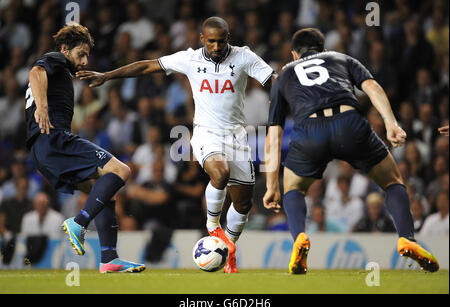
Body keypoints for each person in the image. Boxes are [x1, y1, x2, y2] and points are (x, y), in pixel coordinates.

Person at [76, 17, 276, 273]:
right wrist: (108, 75)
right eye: (211, 41)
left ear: (229, 39)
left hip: (237, 137)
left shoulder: (244, 57)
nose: (216, 46)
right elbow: (148, 66)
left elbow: (272, 79)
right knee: (220, 172)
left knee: (243, 205)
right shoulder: (190, 59)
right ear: (202, 39)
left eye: (222, 41)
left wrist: (283, 94)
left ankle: (227, 248)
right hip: (206, 134)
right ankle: (213, 225)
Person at [263, 28, 439, 274]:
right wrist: (391, 124)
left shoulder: (282, 76)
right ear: (323, 49)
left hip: (310, 131)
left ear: (294, 54)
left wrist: (272, 185)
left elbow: (274, 135)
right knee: (392, 181)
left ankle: (299, 239)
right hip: (350, 125)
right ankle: (407, 238)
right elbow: (373, 87)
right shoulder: (340, 58)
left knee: (293, 188)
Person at [24, 24, 145, 273]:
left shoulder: (61, 72)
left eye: (87, 54)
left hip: (41, 151)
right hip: (53, 139)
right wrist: (42, 105)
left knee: (104, 192)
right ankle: (78, 223)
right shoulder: (55, 59)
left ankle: (109, 259)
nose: (85, 60)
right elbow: (36, 72)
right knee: (121, 170)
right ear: (65, 49)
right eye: (81, 54)